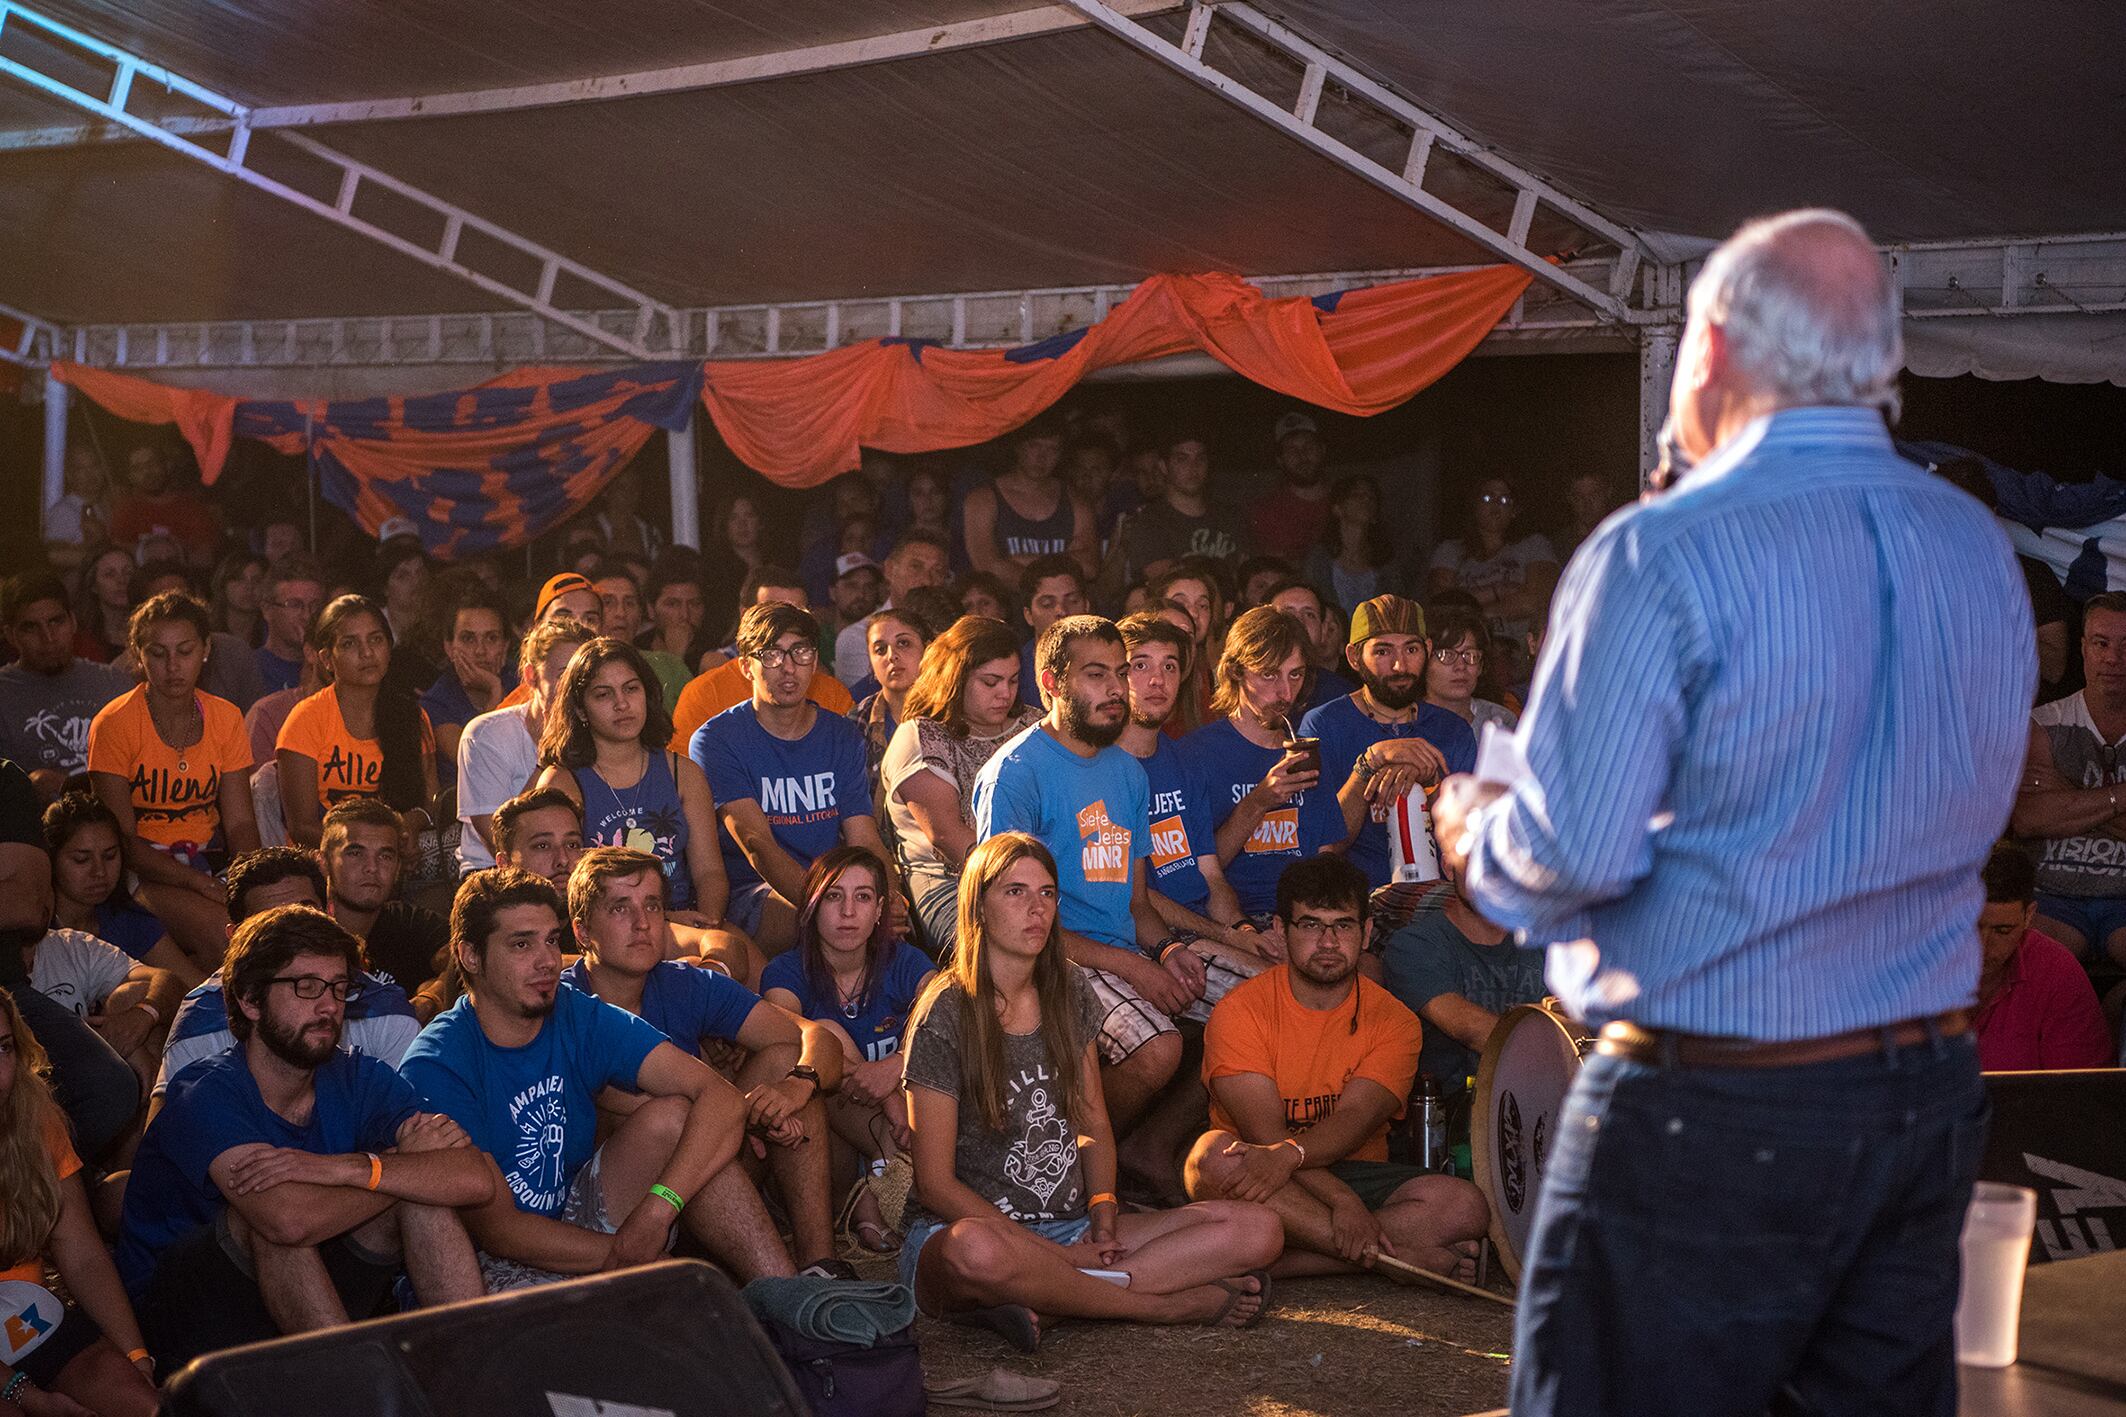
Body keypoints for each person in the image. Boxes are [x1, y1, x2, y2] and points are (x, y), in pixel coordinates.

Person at [1431, 209, 2033, 1417]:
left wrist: (1476, 827)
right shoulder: (1972, 545)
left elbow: (1566, 853)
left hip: (1715, 1104)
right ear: (1879, 360)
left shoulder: (1661, 552)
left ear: (1706, 348)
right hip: (1921, 1089)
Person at [898, 832, 1280, 1349]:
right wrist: (1052, 1254)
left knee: (1258, 1229)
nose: (1036, 908)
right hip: (972, 1231)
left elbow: (1094, 1122)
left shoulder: (1068, 987)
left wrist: (1102, 1214)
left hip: (1069, 1226)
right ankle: (1157, 1306)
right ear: (978, 907)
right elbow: (935, 1185)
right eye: (1015, 892)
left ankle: (1058, 1298)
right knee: (974, 1252)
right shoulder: (945, 1011)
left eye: (1047, 893)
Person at [117, 906, 490, 1370]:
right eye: (306, 987)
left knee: (424, 1194)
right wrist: (399, 1169)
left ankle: (476, 1374)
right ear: (250, 1001)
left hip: (307, 1293)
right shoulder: (204, 1093)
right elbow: (286, 1221)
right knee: (271, 1220)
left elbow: (475, 1178)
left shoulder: (357, 1076)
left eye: (338, 987)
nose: (329, 1006)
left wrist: (353, 1167)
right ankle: (354, 1388)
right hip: (190, 1325)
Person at [397, 869, 768, 1292]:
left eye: (552, 941)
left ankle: (784, 1294)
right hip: (489, 1265)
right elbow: (499, 1231)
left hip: (576, 1217)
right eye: (522, 944)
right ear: (470, 956)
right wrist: (636, 1257)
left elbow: (720, 1097)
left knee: (678, 1119)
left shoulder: (574, 1011)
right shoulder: (438, 1062)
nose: (547, 961)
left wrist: (657, 1211)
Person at [1185, 855, 1488, 1282]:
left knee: (1464, 1206)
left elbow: (1354, 1118)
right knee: (1210, 1158)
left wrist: (1344, 1194)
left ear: (1366, 932)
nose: (1328, 942)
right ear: (1280, 931)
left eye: (1343, 926)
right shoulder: (1240, 1011)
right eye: (1311, 925)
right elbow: (1266, 1135)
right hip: (1262, 1168)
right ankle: (1394, 1261)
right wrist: (1343, 1203)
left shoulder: (1395, 1021)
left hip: (1347, 1166)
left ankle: (1287, 1259)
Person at [559, 848, 840, 1274]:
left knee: (787, 1061)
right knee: (690, 1123)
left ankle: (821, 1265)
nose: (642, 923)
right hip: (621, 1200)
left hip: (704, 1186)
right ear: (582, 931)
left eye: (652, 905)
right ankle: (783, 1289)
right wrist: (744, 1113)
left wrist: (795, 1086)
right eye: (620, 908)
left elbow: (817, 1039)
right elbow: (635, 1111)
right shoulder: (565, 1005)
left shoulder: (682, 983)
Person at [971, 616, 1195, 1133]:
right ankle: (1070, 1149)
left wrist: (1167, 951)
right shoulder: (1015, 774)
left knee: (1248, 1008)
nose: (1117, 689)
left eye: (1121, 672)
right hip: (1049, 959)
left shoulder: (1128, 771)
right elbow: (1009, 923)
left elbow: (1137, 904)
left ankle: (1150, 1150)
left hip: (1124, 952)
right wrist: (1132, 967)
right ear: (1051, 683)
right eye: (1097, 675)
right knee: (1159, 1048)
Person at [153, 847, 421, 1116]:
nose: (293, 934)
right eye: (270, 922)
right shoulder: (200, 1021)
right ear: (236, 937)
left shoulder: (388, 1013)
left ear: (330, 915)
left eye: (305, 914)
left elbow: (411, 1127)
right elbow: (170, 1132)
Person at [692, 603, 895, 954]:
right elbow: (756, 844)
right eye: (771, 655)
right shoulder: (716, 740)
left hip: (837, 888)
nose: (788, 667)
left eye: (800, 652)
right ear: (746, 666)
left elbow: (864, 837)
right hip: (755, 890)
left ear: (815, 662)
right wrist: (826, 906)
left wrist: (890, 900)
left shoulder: (841, 735)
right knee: (806, 923)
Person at [761, 847, 934, 1253]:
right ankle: (874, 1189)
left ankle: (875, 1195)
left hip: (902, 1122)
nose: (848, 912)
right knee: (822, 1036)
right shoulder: (786, 971)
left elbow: (947, 1016)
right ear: (812, 906)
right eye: (833, 897)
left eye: (863, 897)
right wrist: (889, 1099)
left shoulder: (904, 960)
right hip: (837, 1134)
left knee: (934, 1037)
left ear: (879, 911)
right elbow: (783, 1036)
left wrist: (896, 1066)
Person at [0, 991, 159, 1417]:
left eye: (3, 1049)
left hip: (23, 1314)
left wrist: (137, 1358)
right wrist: (26, 1394)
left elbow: (83, 1254)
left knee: (143, 1405)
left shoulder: (30, 1116)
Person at [87, 591, 260, 972]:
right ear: (138, 654)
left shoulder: (225, 717)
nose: (172, 667)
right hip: (141, 869)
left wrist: (251, 881)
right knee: (224, 933)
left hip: (209, 860)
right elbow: (122, 840)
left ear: (205, 649)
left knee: (266, 923)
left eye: (184, 651)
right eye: (157, 653)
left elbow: (240, 823)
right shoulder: (114, 724)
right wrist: (195, 882)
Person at [535, 638, 730, 927]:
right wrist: (664, 920)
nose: (622, 704)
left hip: (686, 925)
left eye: (631, 689)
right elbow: (563, 891)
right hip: (605, 929)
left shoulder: (684, 773)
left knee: (734, 951)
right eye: (603, 694)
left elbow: (710, 872)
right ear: (580, 710)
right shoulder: (562, 781)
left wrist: (708, 924)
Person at [1116, 613, 1270, 963]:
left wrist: (1244, 930)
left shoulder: (1185, 761)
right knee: (1269, 984)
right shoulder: (1103, 771)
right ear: (1117, 675)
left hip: (1206, 931)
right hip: (1149, 939)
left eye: (1170, 667)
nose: (1158, 680)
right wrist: (1224, 936)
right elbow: (1133, 895)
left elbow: (1211, 874)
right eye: (1140, 665)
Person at [881, 617, 1039, 956]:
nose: (1005, 693)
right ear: (955, 679)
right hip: (951, 883)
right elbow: (948, 837)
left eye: (1013, 680)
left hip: (1038, 877)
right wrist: (1030, 883)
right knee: (1001, 951)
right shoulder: (922, 735)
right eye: (990, 682)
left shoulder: (1033, 724)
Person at [1178, 607, 1344, 924]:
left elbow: (1326, 854)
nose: (1285, 692)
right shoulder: (1196, 754)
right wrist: (1258, 802)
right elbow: (1196, 874)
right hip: (1235, 918)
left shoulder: (1306, 751)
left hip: (1304, 917)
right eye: (1269, 674)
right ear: (1236, 671)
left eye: (1295, 674)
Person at [1300, 595, 1477, 890]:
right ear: (1354, 657)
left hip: (1439, 900)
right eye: (1383, 651)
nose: (1399, 665)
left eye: (1411, 649)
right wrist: (1370, 762)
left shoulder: (1452, 730)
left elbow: (1471, 846)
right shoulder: (1323, 725)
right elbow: (1321, 846)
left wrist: (1430, 783)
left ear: (1428, 650)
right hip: (1353, 900)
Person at [2015, 592, 2126, 965]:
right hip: (2051, 897)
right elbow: (2027, 819)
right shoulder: (2043, 725)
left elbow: (2046, 813)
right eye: (2101, 643)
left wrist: (2067, 797)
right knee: (2022, 963)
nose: (2113, 658)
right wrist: (2120, 797)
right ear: (2083, 648)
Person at [276, 595, 437, 850]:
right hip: (326, 858)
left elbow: (431, 803)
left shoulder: (411, 716)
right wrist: (365, 851)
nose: (367, 653)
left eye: (376, 640)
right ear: (327, 659)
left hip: (398, 853)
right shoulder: (305, 719)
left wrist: (412, 823)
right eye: (350, 644)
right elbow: (302, 827)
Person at [1379, 865, 1544, 1087]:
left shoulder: (1547, 938)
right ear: (1448, 867)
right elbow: (1469, 1028)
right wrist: (1562, 1052)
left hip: (1544, 1095)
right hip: (1454, 1104)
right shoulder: (1413, 945)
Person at [456, 619, 595, 874]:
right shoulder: (485, 735)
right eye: (563, 675)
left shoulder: (599, 733)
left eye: (582, 678)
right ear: (531, 676)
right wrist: (551, 755)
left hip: (572, 871)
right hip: (494, 873)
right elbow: (500, 841)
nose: (573, 689)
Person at [1973, 841, 2113, 1071]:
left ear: (2029, 916)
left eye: (2003, 931)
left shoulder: (2057, 974)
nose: (1983, 945)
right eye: (1969, 927)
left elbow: (2078, 1087)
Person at [44, 793, 201, 988]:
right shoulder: (35, 931)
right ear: (50, 859)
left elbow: (193, 985)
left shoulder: (124, 919)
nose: (100, 871)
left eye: (110, 856)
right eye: (81, 860)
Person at [0, 572, 133, 802]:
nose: (48, 637)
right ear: (11, 635)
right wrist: (25, 788)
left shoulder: (115, 684)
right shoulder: (4, 693)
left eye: (56, 622)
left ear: (72, 621)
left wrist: (70, 784)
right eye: (31, 628)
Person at [673, 570, 854, 738]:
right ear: (745, 616)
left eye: (797, 614)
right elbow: (683, 761)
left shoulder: (833, 694)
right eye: (773, 614)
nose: (786, 625)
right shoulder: (705, 694)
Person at [1424, 477, 1559, 678]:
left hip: (1522, 661)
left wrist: (1471, 613)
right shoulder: (1450, 551)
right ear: (1474, 504)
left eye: (1504, 500)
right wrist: (1498, 592)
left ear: (1514, 510)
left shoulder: (1534, 546)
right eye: (1488, 498)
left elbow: (1535, 601)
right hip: (1464, 661)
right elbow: (1442, 607)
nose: (1496, 505)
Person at [318, 798, 450, 997]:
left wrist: (431, 997)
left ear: (398, 867)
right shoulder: (303, 926)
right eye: (355, 853)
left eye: (385, 856)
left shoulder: (408, 921)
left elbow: (464, 956)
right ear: (324, 862)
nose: (372, 867)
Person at [963, 415, 1099, 584]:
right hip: (1007, 601)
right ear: (1018, 446)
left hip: (1060, 601)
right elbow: (987, 567)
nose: (1042, 457)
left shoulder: (1076, 502)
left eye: (1052, 449)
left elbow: (1089, 567)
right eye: (1034, 445)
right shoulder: (983, 500)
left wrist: (1023, 560)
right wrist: (1059, 569)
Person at [1111, 428, 1245, 589]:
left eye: (1200, 458)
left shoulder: (1232, 517)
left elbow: (1250, 575)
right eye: (1182, 459)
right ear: (1164, 466)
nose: (1193, 466)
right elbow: (1168, 585)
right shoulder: (1149, 522)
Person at [834, 533, 953, 687]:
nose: (927, 580)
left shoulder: (953, 633)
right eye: (916, 567)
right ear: (889, 570)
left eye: (938, 571)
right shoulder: (858, 637)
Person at [421, 589, 516, 772]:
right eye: (468, 639)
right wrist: (495, 690)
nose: (480, 650)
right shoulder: (435, 703)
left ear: (505, 646)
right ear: (449, 648)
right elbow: (477, 764)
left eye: (491, 638)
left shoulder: (526, 684)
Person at [850, 606, 932, 805]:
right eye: (880, 649)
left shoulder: (951, 713)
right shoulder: (857, 721)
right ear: (870, 663)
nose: (891, 656)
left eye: (903, 643)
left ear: (928, 651)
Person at [108, 442, 221, 569]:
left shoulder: (191, 507)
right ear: (131, 477)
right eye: (138, 468)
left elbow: (206, 557)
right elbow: (118, 552)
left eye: (151, 464)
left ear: (166, 465)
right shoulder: (126, 510)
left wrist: (175, 555)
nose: (147, 472)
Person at [1248, 412, 1334, 565]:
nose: (1302, 455)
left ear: (1322, 449)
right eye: (1291, 449)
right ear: (1280, 460)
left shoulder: (1346, 502)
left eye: (1309, 446)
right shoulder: (1265, 511)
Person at [1304, 475, 1398, 612]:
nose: (1366, 500)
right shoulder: (1319, 559)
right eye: (1357, 495)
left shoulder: (1385, 561)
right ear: (1337, 508)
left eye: (1371, 497)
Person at [1421, 603, 1518, 734]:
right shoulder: (1404, 722)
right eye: (1447, 655)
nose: (1461, 666)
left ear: (1481, 666)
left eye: (1470, 655)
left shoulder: (1501, 721)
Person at [1266, 580, 1356, 716]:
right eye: (1287, 613)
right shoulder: (1244, 685)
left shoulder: (1341, 696)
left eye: (1309, 614)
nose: (1298, 621)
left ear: (1322, 630)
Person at [1014, 555, 1090, 711]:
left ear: (1086, 606)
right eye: (1047, 604)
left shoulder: (1114, 660)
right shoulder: (1015, 670)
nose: (1061, 611)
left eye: (1072, 600)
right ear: (1028, 615)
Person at [254, 558, 326, 697]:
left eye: (315, 605)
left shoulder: (334, 668)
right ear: (267, 609)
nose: (307, 615)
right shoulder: (250, 670)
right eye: (294, 605)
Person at [74, 547, 136, 666]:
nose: (121, 581)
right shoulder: (80, 638)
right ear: (94, 585)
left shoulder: (148, 630)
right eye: (110, 574)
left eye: (128, 573)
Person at [209, 551, 267, 648]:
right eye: (239, 579)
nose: (249, 587)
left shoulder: (273, 633)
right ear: (223, 585)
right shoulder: (205, 632)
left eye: (257, 580)